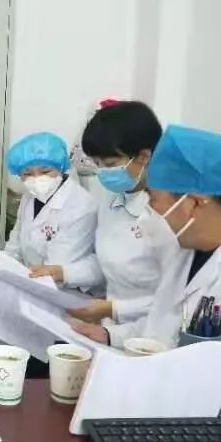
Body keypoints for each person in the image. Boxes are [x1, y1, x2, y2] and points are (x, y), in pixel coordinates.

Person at [0, 132, 99, 379]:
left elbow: (53, 277)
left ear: (61, 167)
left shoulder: (80, 206)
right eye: (27, 174)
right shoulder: (30, 198)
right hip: (29, 286)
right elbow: (13, 249)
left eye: (45, 171)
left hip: (60, 300)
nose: (36, 179)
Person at [72, 124, 221, 348]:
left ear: (193, 204)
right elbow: (160, 326)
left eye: (153, 199)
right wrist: (108, 335)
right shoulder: (186, 252)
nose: (146, 212)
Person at [63, 101, 164, 327]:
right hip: (110, 327)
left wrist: (114, 309)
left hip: (153, 329)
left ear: (144, 156)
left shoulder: (169, 212)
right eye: (97, 164)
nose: (102, 172)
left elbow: (179, 297)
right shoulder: (111, 196)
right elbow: (106, 261)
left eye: (110, 163)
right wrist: (63, 273)